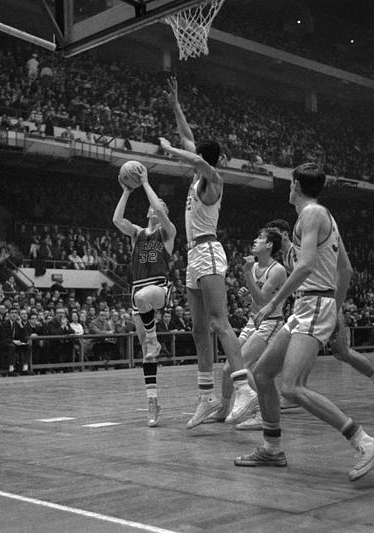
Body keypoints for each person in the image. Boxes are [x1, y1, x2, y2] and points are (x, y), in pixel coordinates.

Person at [234, 163, 374, 482]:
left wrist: (275, 303)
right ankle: (272, 448)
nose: (289, 188)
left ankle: (363, 441)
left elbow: (303, 267)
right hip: (313, 305)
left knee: (291, 387)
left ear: (297, 186)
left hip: (313, 302)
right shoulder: (324, 216)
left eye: (291, 183)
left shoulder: (311, 215)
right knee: (262, 374)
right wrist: (335, 308)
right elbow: (346, 270)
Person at [159, 76, 256, 428]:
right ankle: (206, 397)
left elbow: (190, 153)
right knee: (199, 329)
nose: (190, 153)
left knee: (219, 322)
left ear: (202, 160)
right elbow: (188, 138)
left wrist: (170, 150)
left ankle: (244, 389)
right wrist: (175, 104)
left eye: (193, 155)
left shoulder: (214, 180)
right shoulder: (196, 175)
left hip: (210, 251)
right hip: (192, 257)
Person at [263, 219, 374, 413]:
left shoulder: (301, 250)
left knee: (341, 351)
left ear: (284, 235)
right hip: (308, 306)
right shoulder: (286, 257)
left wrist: (335, 306)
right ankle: (296, 390)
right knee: (326, 349)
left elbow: (338, 271)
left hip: (325, 303)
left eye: (273, 234)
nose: (270, 239)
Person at [112, 160, 177, 427]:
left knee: (142, 301)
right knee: (146, 354)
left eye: (159, 204)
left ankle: (154, 338)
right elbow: (117, 220)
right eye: (152, 203)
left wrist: (147, 182)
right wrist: (127, 191)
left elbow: (162, 213)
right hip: (139, 289)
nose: (154, 205)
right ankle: (153, 402)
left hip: (159, 288)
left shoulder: (167, 232)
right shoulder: (137, 234)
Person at [207, 227, 287, 430]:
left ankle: (261, 413)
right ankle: (224, 409)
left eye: (260, 238)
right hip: (254, 321)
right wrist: (246, 296)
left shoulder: (277, 270)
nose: (254, 240)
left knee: (241, 364)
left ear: (269, 245)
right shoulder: (254, 267)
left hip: (271, 322)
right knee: (229, 367)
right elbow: (256, 301)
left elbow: (262, 299)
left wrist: (247, 276)